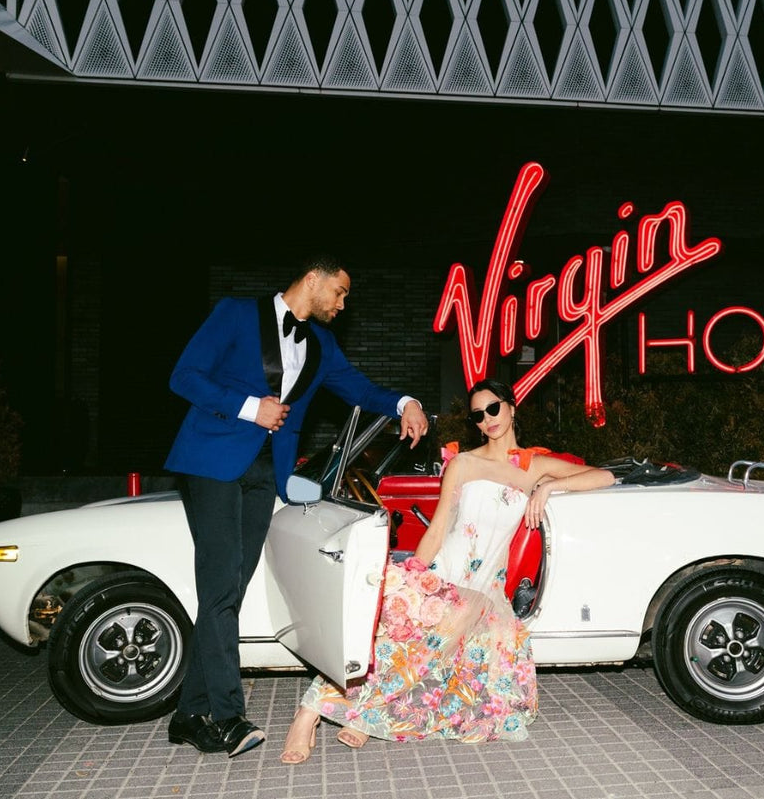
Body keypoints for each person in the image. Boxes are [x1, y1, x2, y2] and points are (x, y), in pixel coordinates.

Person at [164, 255, 429, 756]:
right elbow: (185, 376)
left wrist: (404, 403)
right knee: (220, 588)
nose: (343, 303)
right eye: (341, 292)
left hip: (266, 474)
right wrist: (250, 407)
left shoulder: (321, 345)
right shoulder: (235, 314)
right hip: (212, 462)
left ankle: (186, 716)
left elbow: (359, 389)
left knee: (226, 593)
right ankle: (226, 717)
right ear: (314, 279)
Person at [278, 379, 615, 763]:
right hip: (447, 573)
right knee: (398, 622)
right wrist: (416, 577)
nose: (487, 419)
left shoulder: (533, 467)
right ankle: (308, 713)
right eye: (478, 414)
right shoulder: (465, 463)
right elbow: (439, 528)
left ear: (511, 408)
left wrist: (547, 489)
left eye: (493, 408)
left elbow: (603, 475)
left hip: (486, 590)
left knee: (448, 662)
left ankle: (365, 713)